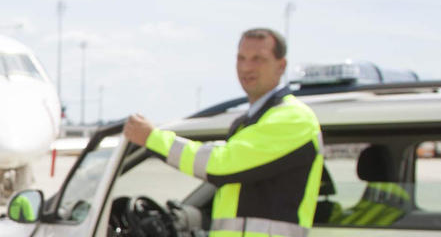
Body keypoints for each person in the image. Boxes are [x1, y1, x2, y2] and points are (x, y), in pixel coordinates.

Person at [123, 28, 324, 237]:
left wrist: (152, 139)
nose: (247, 67)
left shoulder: (294, 118)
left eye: (258, 59)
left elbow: (222, 165)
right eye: (241, 58)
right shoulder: (249, 122)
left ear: (281, 66)